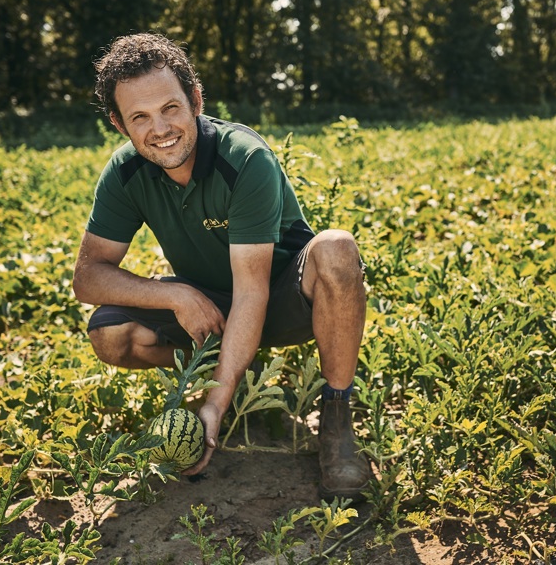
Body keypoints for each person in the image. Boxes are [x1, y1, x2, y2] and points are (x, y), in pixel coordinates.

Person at [72, 33, 371, 501]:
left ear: (195, 99)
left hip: (281, 299)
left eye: (170, 107)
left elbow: (252, 291)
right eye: (140, 117)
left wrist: (215, 401)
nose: (161, 128)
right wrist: (176, 295)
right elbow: (88, 277)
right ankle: (233, 369)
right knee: (111, 334)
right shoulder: (125, 172)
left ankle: (335, 417)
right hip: (211, 305)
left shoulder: (244, 157)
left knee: (336, 248)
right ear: (118, 123)